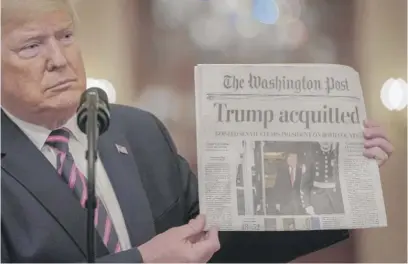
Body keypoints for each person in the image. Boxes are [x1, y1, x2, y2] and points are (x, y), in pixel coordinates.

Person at [1, 0, 394, 263]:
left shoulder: (137, 131)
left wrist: (337, 184)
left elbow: (219, 237)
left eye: (66, 36)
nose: (59, 59)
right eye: (32, 47)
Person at [300, 142, 344, 215]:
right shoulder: (312, 157)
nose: (325, 142)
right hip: (318, 199)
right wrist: (307, 204)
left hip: (336, 199)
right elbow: (305, 184)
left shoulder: (337, 155)